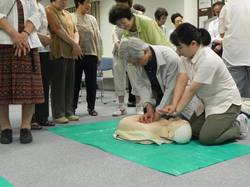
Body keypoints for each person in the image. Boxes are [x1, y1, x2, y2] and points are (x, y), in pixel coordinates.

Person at [158, 23, 249, 145]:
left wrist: (177, 111)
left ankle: (238, 125)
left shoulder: (208, 59)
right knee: (192, 133)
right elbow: (181, 80)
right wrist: (174, 104)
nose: (177, 51)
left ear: (193, 44)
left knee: (207, 138)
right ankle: (219, 123)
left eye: (180, 47)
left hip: (226, 103)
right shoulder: (186, 57)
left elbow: (191, 90)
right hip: (207, 102)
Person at [109, 4, 172, 116]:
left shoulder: (146, 22)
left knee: (163, 91)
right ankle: (149, 108)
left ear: (130, 16)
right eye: (118, 25)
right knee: (144, 85)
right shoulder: (126, 30)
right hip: (145, 60)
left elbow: (156, 47)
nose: (122, 26)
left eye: (122, 22)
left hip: (162, 59)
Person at [0, 0, 45, 144]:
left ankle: (26, 127)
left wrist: (24, 35)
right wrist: (14, 34)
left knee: (30, 86)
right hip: (4, 41)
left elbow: (35, 15)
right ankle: (5, 127)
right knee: (2, 86)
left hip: (28, 43)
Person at [118, 37, 180, 123]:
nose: (136, 66)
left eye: (136, 62)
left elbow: (171, 88)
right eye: (133, 64)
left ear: (145, 51)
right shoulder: (139, 60)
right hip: (159, 97)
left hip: (177, 100)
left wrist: (158, 112)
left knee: (173, 127)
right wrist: (149, 108)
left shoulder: (170, 58)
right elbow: (142, 85)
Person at [45, 0, 83, 123]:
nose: (64, 2)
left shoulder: (67, 13)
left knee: (69, 83)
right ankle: (58, 113)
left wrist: (75, 45)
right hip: (58, 52)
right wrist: (74, 45)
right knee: (58, 84)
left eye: (66, 0)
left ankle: (69, 111)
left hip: (71, 53)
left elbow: (75, 31)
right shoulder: (49, 10)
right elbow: (57, 30)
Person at [111, 0, 143, 116]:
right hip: (118, 50)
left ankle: (139, 105)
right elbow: (114, 31)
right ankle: (121, 105)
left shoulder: (138, 14)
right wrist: (118, 44)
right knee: (118, 77)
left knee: (135, 77)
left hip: (132, 51)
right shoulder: (116, 13)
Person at [71, 0, 103, 116]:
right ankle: (72, 108)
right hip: (77, 54)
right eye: (87, 3)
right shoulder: (71, 17)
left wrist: (99, 54)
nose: (89, 5)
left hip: (91, 53)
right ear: (79, 3)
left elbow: (98, 37)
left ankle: (91, 107)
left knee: (91, 82)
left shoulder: (92, 19)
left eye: (90, 3)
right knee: (75, 82)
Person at [30, 0, 55, 130]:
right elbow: (24, 26)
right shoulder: (27, 3)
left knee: (45, 84)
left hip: (45, 50)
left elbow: (45, 27)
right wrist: (41, 36)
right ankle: (31, 118)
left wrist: (48, 36)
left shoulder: (42, 7)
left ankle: (43, 117)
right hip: (32, 48)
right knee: (33, 85)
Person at [218, 0, 250, 98]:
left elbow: (222, 33)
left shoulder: (227, 7)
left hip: (233, 54)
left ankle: (239, 112)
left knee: (234, 91)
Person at [113, 115, 192, 145]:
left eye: (177, 122)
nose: (178, 118)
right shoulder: (167, 124)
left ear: (171, 134)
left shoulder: (149, 129)